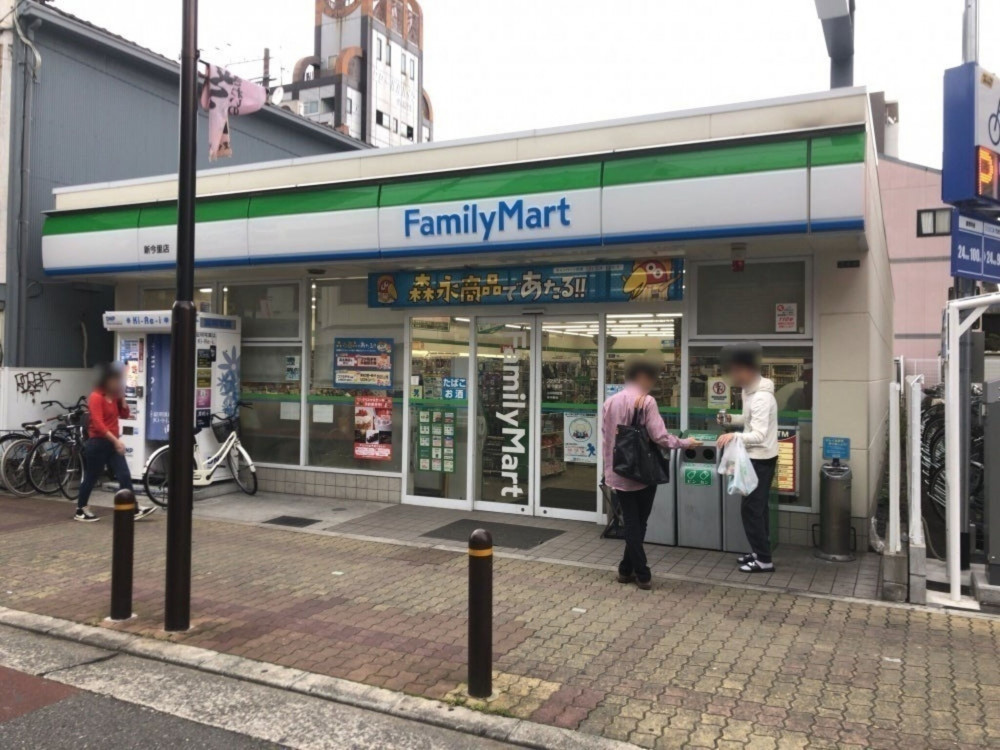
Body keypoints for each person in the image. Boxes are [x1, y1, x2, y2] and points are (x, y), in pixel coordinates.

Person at [602, 357, 699, 591]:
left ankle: (625, 569)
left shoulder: (610, 402)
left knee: (632, 522)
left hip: (620, 470)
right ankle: (643, 573)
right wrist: (686, 443)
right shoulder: (647, 401)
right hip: (643, 472)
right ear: (643, 377)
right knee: (638, 523)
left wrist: (608, 469)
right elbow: (660, 437)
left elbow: (607, 439)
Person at [716, 343, 778, 572]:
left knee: (751, 510)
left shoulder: (762, 398)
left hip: (761, 459)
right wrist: (730, 420)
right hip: (754, 458)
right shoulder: (748, 392)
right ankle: (759, 552)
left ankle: (764, 560)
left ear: (748, 370)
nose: (733, 377)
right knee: (757, 509)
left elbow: (759, 435)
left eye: (735, 372)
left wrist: (734, 436)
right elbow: (747, 419)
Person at [75, 364, 156, 522]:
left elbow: (125, 414)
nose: (118, 383)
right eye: (116, 380)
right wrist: (115, 441)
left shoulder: (114, 396)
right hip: (98, 443)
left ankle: (132, 508)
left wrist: (123, 398)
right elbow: (98, 424)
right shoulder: (96, 397)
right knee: (92, 476)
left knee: (124, 474)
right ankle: (80, 509)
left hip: (112, 444)